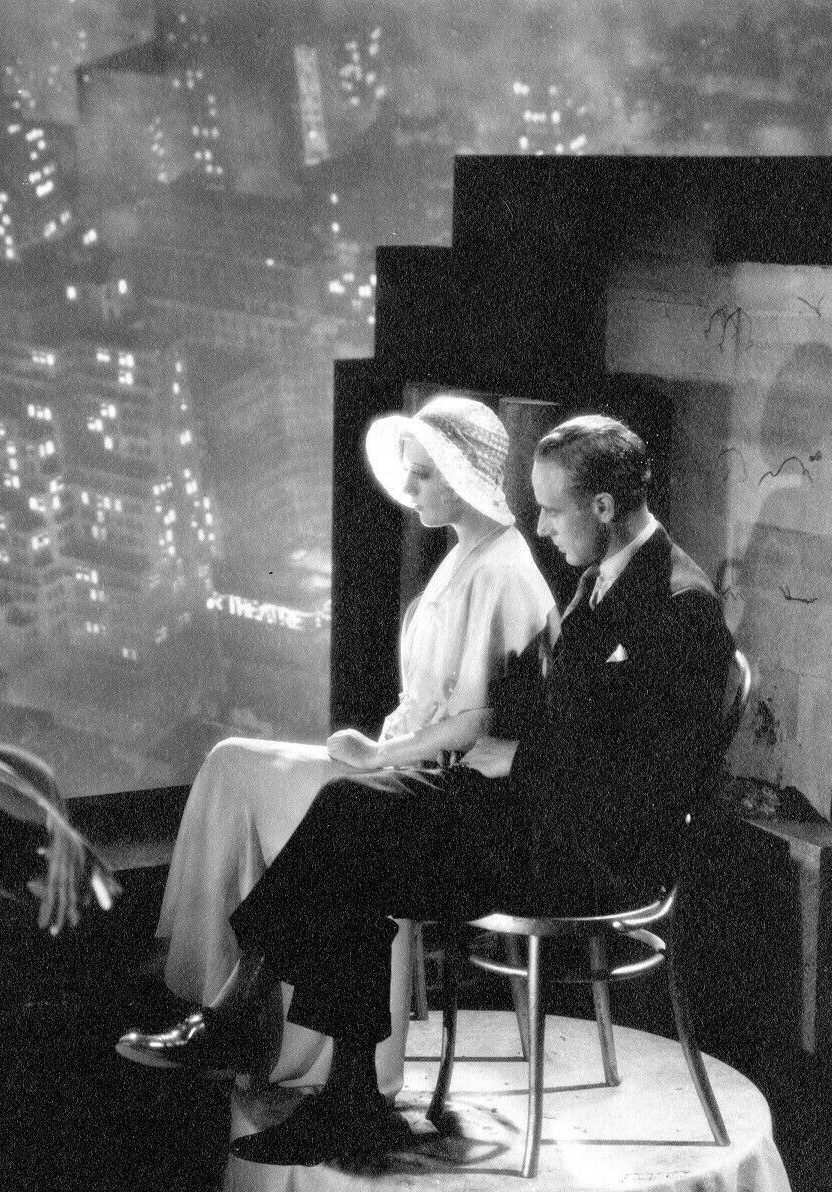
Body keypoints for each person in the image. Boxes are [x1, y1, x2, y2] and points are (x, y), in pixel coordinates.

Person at [120, 413, 734, 1167]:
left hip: (586, 855)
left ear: (604, 506)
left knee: (356, 831)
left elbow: (649, 784)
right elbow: (579, 726)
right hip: (534, 817)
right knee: (351, 811)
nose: (541, 527)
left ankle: (272, 1040)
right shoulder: (603, 576)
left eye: (552, 509)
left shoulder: (680, 604)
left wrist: (519, 762)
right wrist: (512, 751)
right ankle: (326, 1080)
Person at [119, 394, 555, 1091]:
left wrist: (379, 757)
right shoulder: (461, 558)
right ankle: (206, 992)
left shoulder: (502, 571)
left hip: (440, 791)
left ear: (463, 475)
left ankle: (237, 1015)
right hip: (409, 768)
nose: (409, 487)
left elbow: (475, 721)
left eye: (424, 474)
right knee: (230, 763)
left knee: (333, 812)